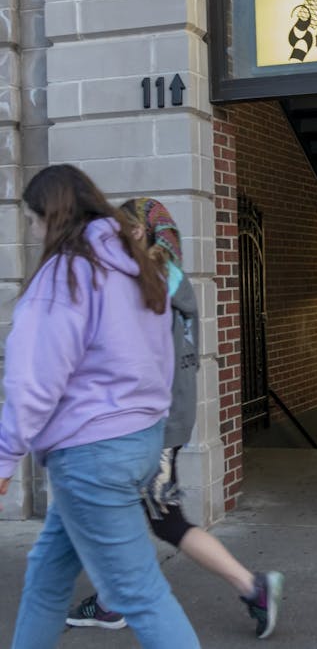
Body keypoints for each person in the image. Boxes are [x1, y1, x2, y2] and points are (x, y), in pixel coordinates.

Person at [0, 165, 200, 648]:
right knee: (47, 579)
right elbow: (161, 364)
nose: (29, 231)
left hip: (90, 454)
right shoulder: (137, 267)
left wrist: (5, 457)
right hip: (136, 444)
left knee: (141, 595)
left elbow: (32, 382)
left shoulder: (65, 275)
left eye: (31, 219)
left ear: (52, 215)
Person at [65, 197, 284, 640]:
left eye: (118, 232)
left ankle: (252, 586)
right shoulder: (174, 281)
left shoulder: (146, 287)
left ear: (139, 234)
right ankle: (112, 600)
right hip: (167, 422)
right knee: (122, 510)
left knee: (164, 519)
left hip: (151, 426)